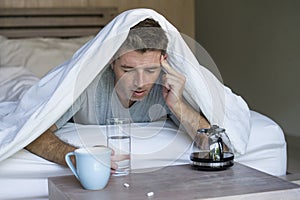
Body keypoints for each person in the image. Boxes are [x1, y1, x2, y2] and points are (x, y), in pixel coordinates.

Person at [25, 18, 210, 173]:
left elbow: (216, 146)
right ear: (112, 61)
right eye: (127, 69)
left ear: (164, 61)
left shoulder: (167, 85)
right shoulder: (85, 84)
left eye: (150, 70)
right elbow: (32, 133)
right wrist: (76, 158)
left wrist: (177, 105)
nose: (140, 82)